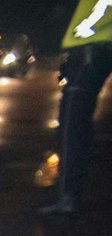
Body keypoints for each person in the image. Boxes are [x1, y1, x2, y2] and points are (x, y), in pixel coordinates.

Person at [44, 0, 112, 214]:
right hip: (92, 46)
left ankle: (68, 197)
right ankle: (70, 195)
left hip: (92, 47)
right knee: (76, 123)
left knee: (72, 124)